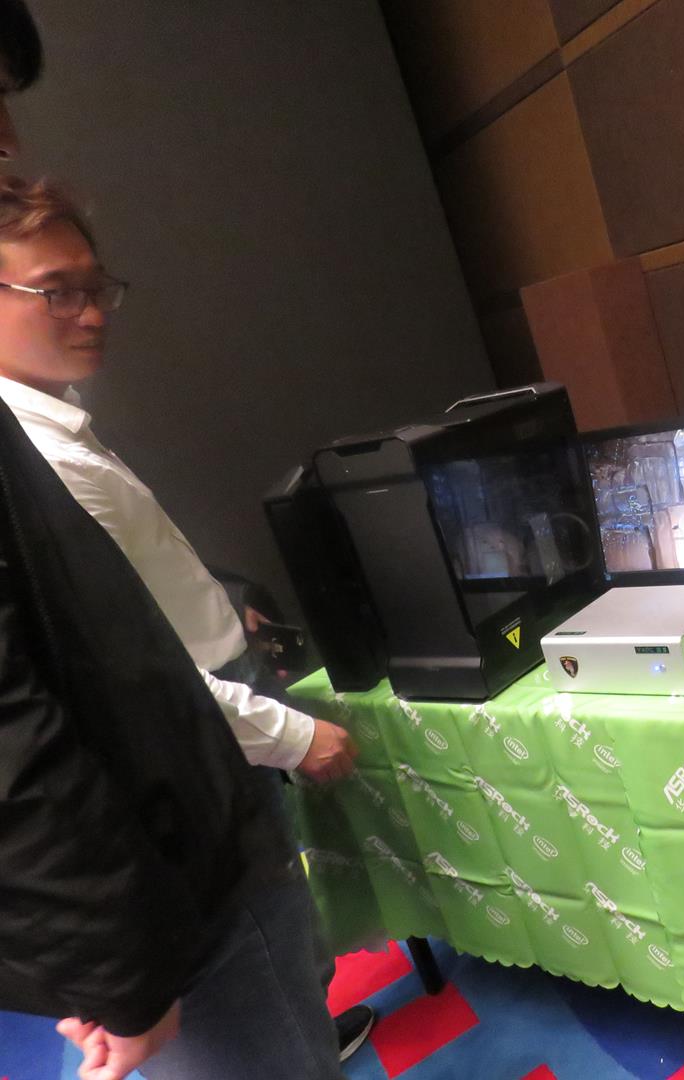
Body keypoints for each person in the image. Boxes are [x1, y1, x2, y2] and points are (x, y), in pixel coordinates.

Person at [0, 6, 358, 1077]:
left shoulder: (53, 430)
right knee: (261, 1009)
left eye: (95, 287)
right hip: (177, 817)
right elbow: (91, 699)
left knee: (283, 987)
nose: (91, 313)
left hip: (190, 781)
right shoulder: (38, 454)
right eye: (56, 293)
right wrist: (287, 734)